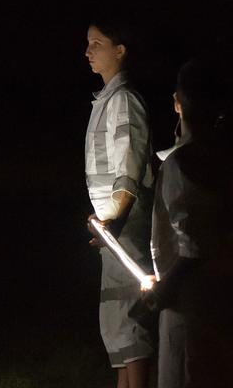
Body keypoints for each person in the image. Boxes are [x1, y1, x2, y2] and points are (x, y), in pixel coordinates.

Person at [145, 55, 233, 387]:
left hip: (190, 305)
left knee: (187, 372)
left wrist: (161, 290)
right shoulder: (222, 158)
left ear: (178, 102)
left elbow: (194, 248)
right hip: (222, 301)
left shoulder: (182, 165)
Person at [83, 20, 154, 388]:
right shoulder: (106, 101)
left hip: (124, 230)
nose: (88, 51)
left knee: (130, 325)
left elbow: (128, 165)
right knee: (117, 327)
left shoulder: (124, 101)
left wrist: (116, 218)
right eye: (88, 44)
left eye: (97, 43)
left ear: (120, 49)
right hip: (112, 230)